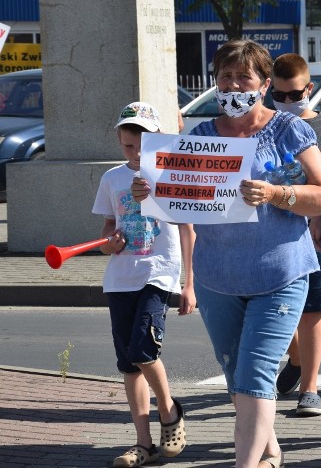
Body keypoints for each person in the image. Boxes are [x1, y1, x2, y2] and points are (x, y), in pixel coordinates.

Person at [134, 40, 321, 468]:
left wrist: (278, 193)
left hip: (280, 273)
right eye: (225, 76)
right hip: (217, 279)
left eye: (243, 76)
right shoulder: (201, 137)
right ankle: (271, 451)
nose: (232, 85)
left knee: (256, 376)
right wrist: (150, 193)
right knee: (237, 378)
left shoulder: (288, 129)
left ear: (263, 84)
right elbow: (177, 207)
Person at [93, 102, 194, 468]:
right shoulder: (111, 178)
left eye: (141, 146)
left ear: (156, 141)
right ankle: (143, 443)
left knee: (143, 350)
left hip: (158, 273)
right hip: (120, 277)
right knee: (128, 365)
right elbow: (107, 228)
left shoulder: (172, 176)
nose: (134, 153)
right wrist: (109, 242)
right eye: (127, 146)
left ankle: (169, 412)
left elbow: (188, 231)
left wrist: (189, 284)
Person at [270, 54, 321, 417]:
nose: (288, 103)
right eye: (280, 96)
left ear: (309, 89)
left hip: (318, 230)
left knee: (311, 312)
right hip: (274, 232)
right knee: (284, 310)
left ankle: (310, 387)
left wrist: (320, 219)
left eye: (295, 96)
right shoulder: (267, 126)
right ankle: (296, 357)